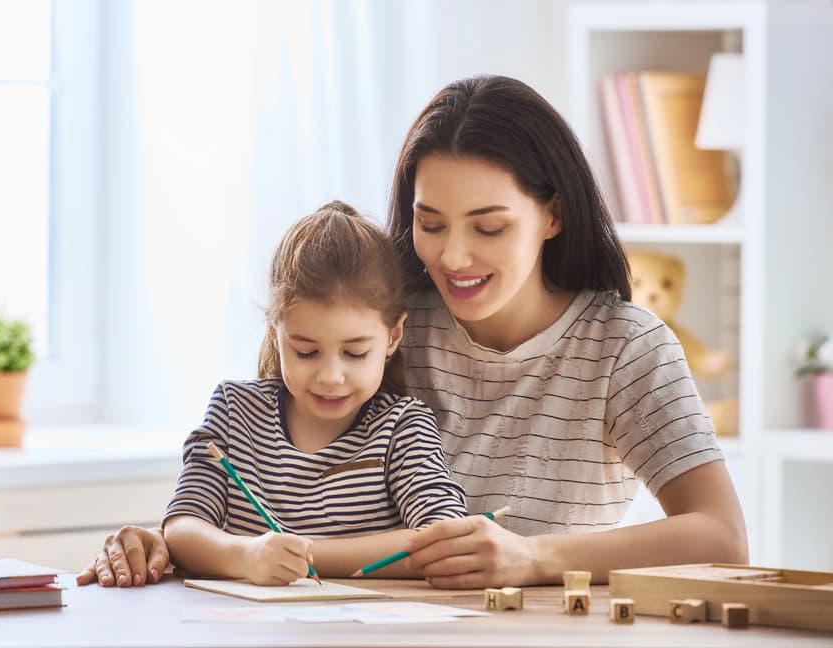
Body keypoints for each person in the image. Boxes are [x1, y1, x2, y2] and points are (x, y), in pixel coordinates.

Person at [78, 75, 747, 589]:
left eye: (488, 227)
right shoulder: (387, 320)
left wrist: (536, 556)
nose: (453, 257)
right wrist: (185, 542)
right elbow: (271, 469)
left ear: (553, 215)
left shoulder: (624, 346)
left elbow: (720, 539)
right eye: (430, 224)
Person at [90, 201, 467, 587]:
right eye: (306, 351)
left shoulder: (402, 425)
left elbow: (446, 539)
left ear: (393, 337)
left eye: (355, 353)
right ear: (275, 333)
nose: (331, 376)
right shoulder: (234, 411)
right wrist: (247, 556)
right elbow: (184, 528)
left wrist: (303, 556)